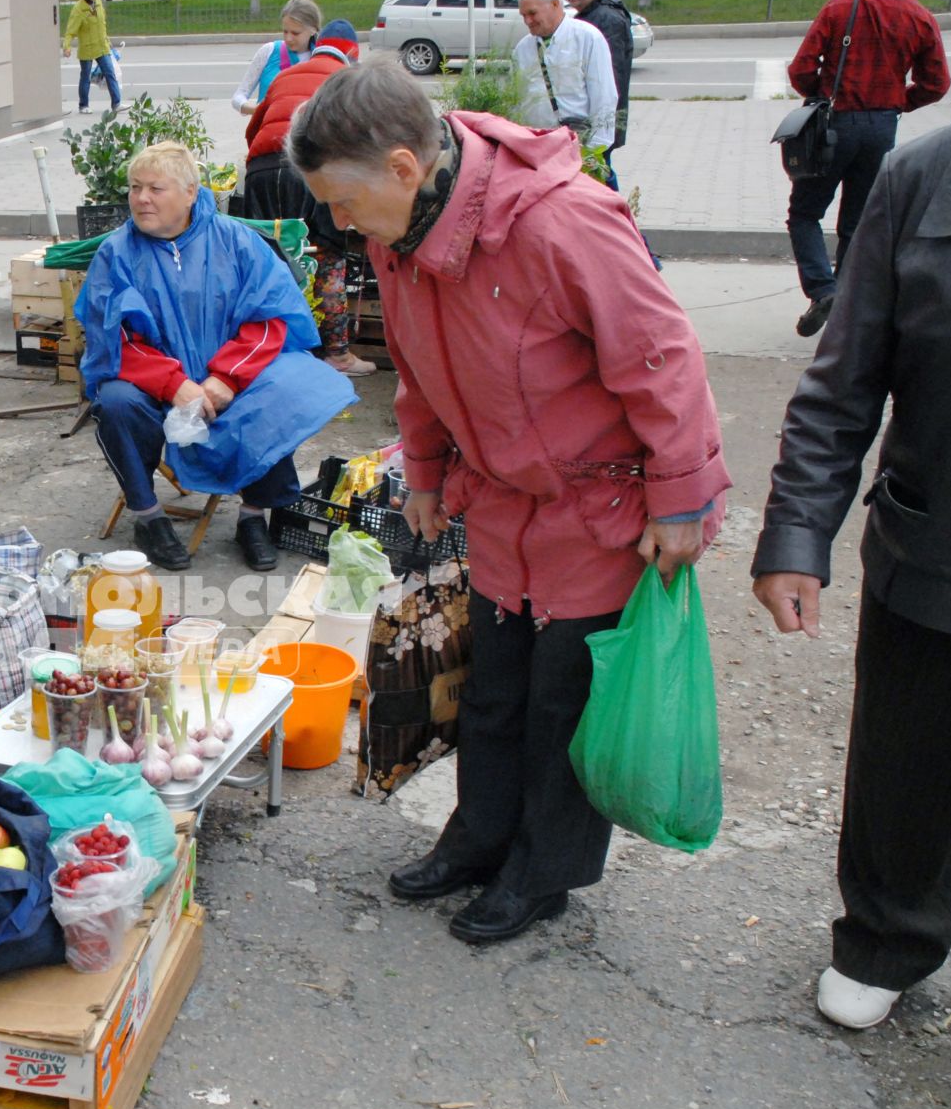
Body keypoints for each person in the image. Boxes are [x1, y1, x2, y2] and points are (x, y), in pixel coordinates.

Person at [289, 60, 730, 944]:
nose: (336, 223)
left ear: (406, 167)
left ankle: (543, 871)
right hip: (496, 505)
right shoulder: (398, 234)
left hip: (595, 509)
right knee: (493, 693)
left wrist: (683, 502)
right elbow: (416, 373)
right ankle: (479, 838)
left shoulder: (565, 222)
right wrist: (420, 474)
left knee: (561, 704)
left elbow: (661, 359)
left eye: (341, 201)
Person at [750, 119, 951, 1030]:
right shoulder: (922, 181)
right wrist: (797, 537)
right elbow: (843, 383)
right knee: (905, 771)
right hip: (939, 552)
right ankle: (887, 937)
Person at [75, 141, 357, 574]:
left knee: (286, 388)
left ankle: (253, 516)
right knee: (113, 402)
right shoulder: (117, 254)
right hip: (155, 387)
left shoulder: (237, 241)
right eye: (135, 188)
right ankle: (148, 518)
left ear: (190, 192)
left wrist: (226, 378)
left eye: (155, 188)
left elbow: (269, 320)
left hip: (231, 380)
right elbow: (113, 338)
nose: (141, 198)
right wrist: (175, 384)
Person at [782, 0, 948, 339]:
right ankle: (845, 305)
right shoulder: (919, 15)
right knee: (858, 220)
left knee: (805, 212)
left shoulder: (842, 7)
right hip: (882, 127)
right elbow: (936, 83)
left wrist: (818, 93)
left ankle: (823, 290)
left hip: (834, 123)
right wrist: (900, 102)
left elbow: (801, 68)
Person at [244, 19, 373, 378]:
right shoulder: (346, 80)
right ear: (351, 54)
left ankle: (269, 352)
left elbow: (254, 129)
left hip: (261, 170)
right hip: (311, 169)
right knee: (327, 255)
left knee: (271, 258)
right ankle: (337, 354)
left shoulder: (288, 74)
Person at [513, 0, 618, 154]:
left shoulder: (587, 38)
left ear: (555, 4)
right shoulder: (522, 49)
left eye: (532, 13)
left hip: (580, 145)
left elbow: (604, 97)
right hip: (537, 147)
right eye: (523, 15)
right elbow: (517, 101)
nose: (527, 21)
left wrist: (595, 150)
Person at [562, 0, 633, 185]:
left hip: (598, 121)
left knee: (599, 177)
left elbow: (608, 80)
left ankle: (616, 216)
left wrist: (598, 127)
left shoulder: (605, 19)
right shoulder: (594, 14)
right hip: (598, 121)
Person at [231, 0, 321, 116]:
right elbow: (239, 96)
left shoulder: (321, 59)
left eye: (295, 33)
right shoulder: (269, 51)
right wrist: (255, 109)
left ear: (313, 29)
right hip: (267, 130)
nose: (289, 38)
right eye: (285, 31)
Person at [63, 0, 121, 115]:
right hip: (87, 48)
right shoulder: (78, 9)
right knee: (85, 77)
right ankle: (83, 105)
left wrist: (108, 41)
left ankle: (116, 104)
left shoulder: (99, 2)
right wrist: (67, 46)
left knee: (110, 73)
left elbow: (102, 25)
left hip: (102, 47)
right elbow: (70, 31)